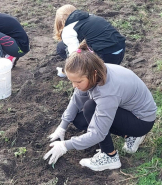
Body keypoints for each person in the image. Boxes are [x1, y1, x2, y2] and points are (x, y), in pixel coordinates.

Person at [44, 40, 156, 171]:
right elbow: (76, 99)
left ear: (93, 75)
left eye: (78, 81)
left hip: (141, 120)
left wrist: (65, 146)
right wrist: (62, 126)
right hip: (127, 111)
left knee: (90, 108)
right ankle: (129, 136)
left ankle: (110, 156)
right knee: (80, 120)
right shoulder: (95, 70)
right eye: (72, 81)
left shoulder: (108, 92)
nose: (75, 86)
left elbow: (98, 133)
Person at [54, 4, 126, 67]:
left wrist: (68, 70)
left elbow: (74, 56)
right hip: (120, 49)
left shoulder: (68, 30)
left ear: (60, 22)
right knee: (62, 46)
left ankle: (91, 71)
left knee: (61, 48)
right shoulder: (91, 16)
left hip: (105, 56)